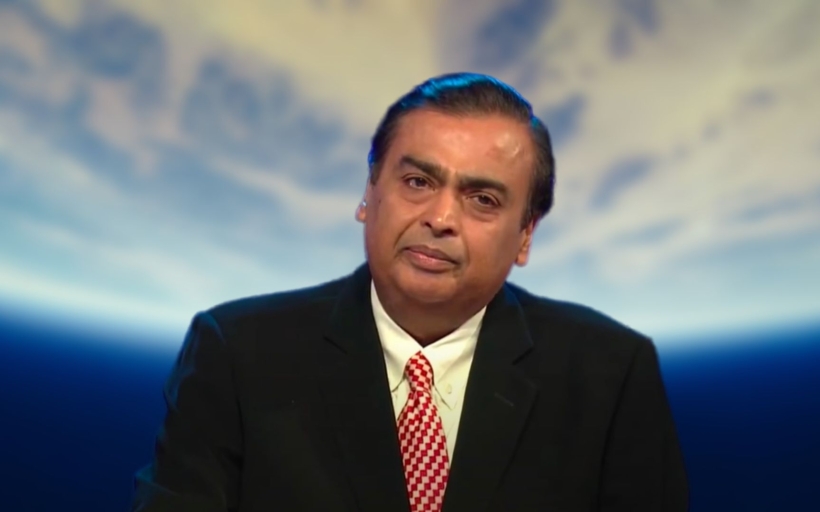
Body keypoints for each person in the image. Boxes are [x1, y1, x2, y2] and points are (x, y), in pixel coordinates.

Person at [130, 73, 689, 512]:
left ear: (525, 235)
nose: (440, 218)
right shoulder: (238, 352)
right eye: (418, 182)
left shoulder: (611, 373)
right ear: (368, 193)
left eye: (482, 200)